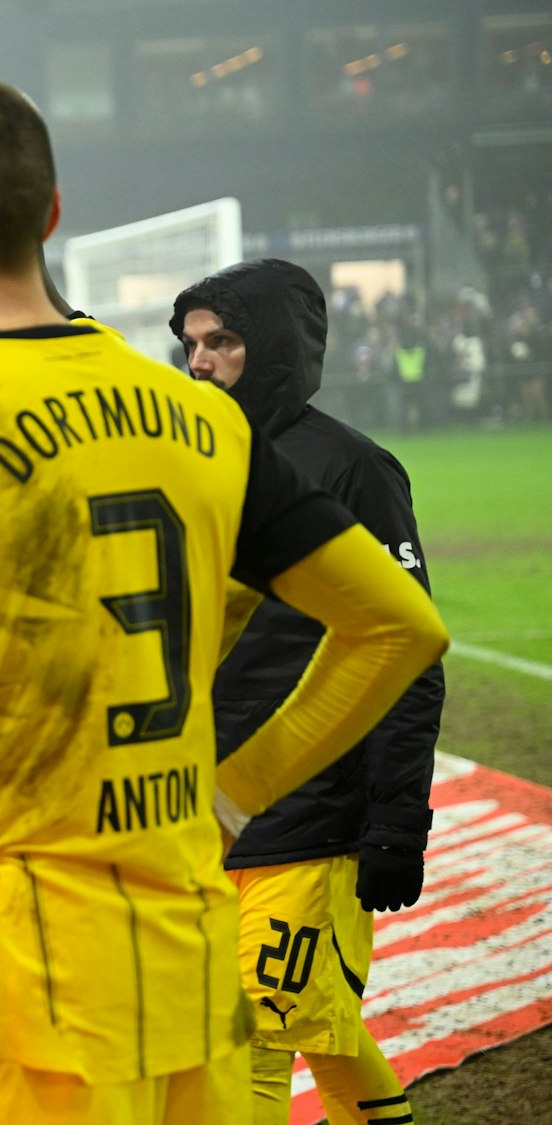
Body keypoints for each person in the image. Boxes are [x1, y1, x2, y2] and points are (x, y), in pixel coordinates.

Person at [0, 77, 448, 1123]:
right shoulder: (202, 418)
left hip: (9, 973)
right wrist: (233, 793)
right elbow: (400, 626)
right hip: (184, 949)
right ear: (48, 214)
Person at [173, 259, 445, 1125]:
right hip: (204, 807)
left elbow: (409, 656)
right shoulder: (186, 457)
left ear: (276, 347)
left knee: (256, 1034)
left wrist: (397, 819)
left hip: (309, 812)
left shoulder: (352, 466)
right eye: (191, 344)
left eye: (223, 341)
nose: (200, 361)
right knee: (318, 1022)